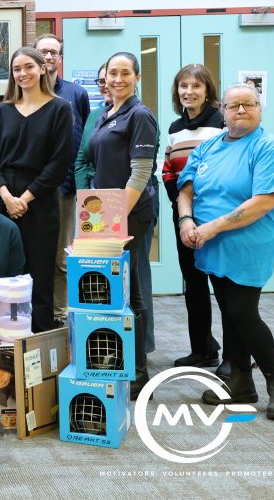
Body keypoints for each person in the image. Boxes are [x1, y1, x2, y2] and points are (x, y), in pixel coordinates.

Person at [177, 82, 274, 420]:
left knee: (243, 312)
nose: (241, 110)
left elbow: (263, 201)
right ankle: (240, 381)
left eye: (249, 104)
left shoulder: (269, 148)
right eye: (234, 105)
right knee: (229, 311)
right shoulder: (210, 146)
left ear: (260, 108)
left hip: (249, 243)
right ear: (223, 110)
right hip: (210, 244)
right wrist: (186, 221)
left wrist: (211, 227)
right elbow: (185, 188)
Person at [86, 52, 160, 398]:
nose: (117, 79)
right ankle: (115, 359)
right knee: (113, 291)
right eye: (111, 73)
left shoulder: (140, 115)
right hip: (105, 215)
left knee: (130, 291)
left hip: (130, 214)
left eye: (124, 73)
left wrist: (115, 222)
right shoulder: (106, 114)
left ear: (137, 77)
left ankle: (139, 371)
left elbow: (140, 173)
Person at [0, 47, 72, 333]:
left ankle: (40, 347)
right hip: (3, 200)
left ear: (43, 68)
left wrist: (25, 198)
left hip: (41, 201)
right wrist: (7, 196)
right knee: (3, 274)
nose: (23, 74)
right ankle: (3, 341)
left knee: (39, 278)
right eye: (17, 69)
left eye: (28, 67)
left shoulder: (60, 109)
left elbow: (59, 163)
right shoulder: (2, 111)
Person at [163, 64, 225, 371]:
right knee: (194, 283)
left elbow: (226, 167)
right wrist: (180, 204)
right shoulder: (175, 128)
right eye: (183, 86)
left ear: (207, 91)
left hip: (216, 215)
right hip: (183, 214)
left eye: (196, 86)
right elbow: (168, 169)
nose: (189, 91)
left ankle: (237, 356)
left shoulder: (221, 123)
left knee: (225, 286)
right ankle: (202, 349)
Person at [34, 34, 91, 327]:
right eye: (42, 51)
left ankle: (59, 315)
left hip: (66, 189)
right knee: (37, 252)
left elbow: (82, 140)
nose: (48, 56)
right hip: (34, 191)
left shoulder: (75, 94)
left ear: (59, 57)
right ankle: (39, 314)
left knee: (61, 257)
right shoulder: (28, 93)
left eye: (53, 52)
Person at [74, 63, 110, 190]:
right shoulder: (94, 116)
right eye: (101, 81)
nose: (106, 85)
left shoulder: (140, 115)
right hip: (94, 191)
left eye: (109, 79)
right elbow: (81, 160)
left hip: (128, 193)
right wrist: (84, 195)